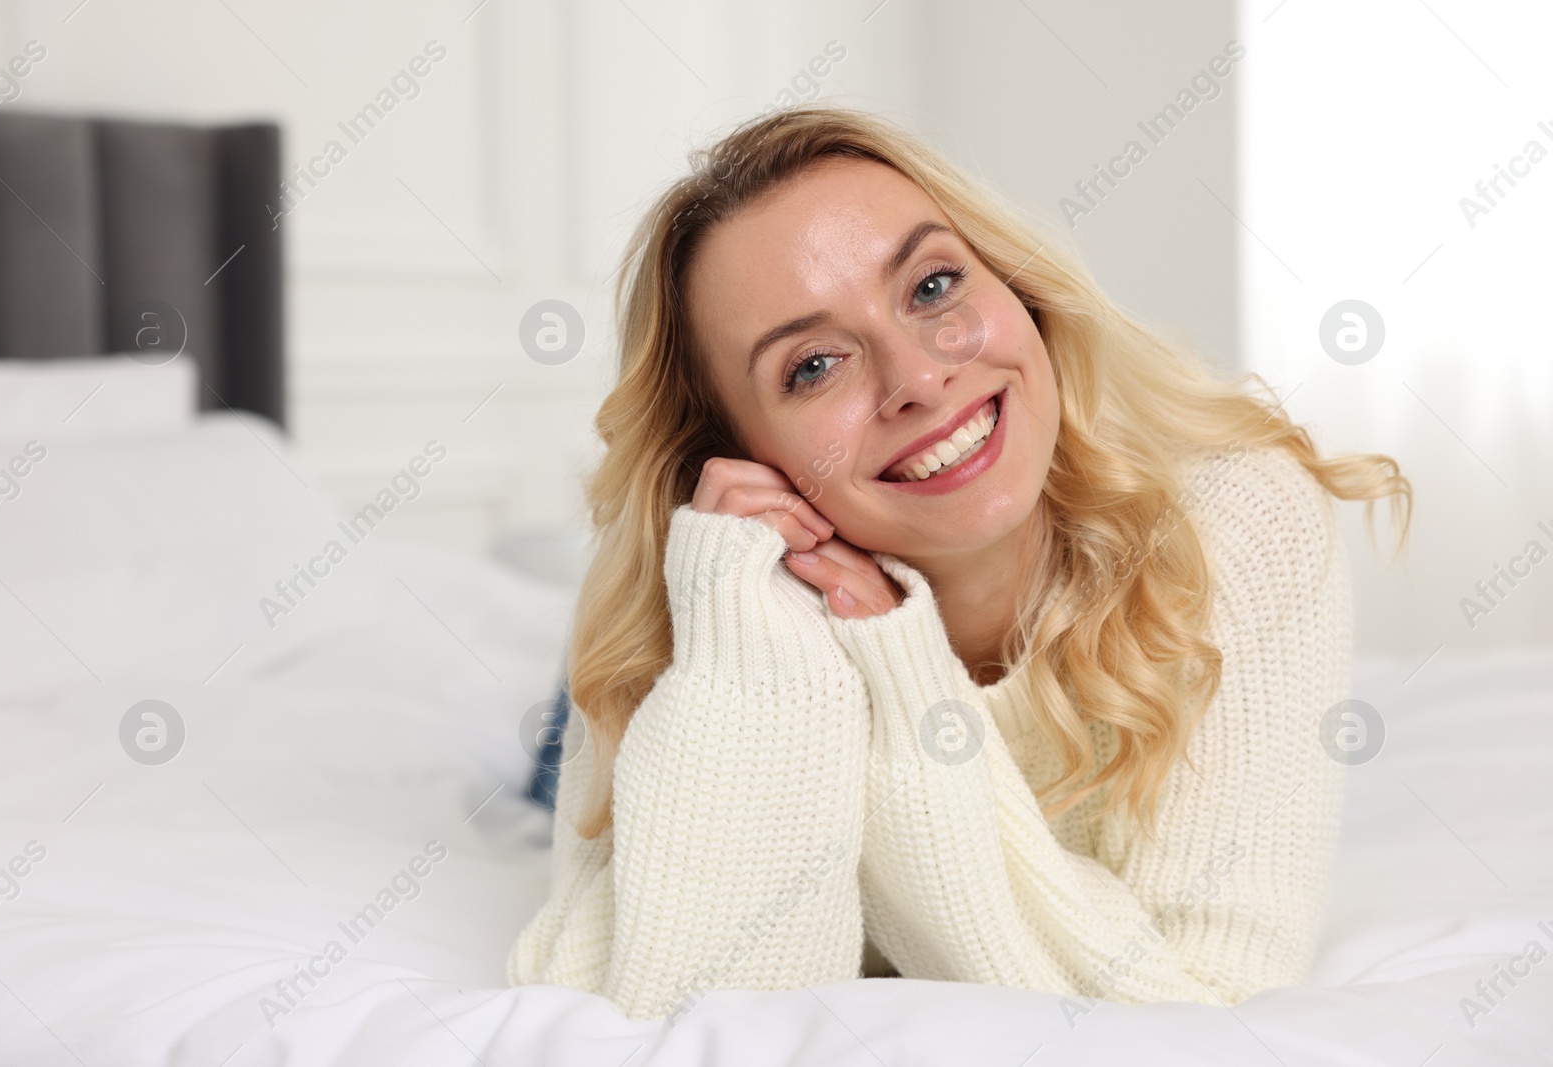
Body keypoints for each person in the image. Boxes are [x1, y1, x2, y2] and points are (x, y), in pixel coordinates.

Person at [505, 105, 1412, 1024]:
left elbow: (1200, 1010)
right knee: (548, 766)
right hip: (690, 657)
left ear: (1019, 289)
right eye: (814, 365)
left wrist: (905, 683)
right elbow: (675, 1014)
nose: (919, 377)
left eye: (933, 285)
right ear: (735, 453)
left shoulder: (1239, 517)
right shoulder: (706, 580)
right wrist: (752, 638)